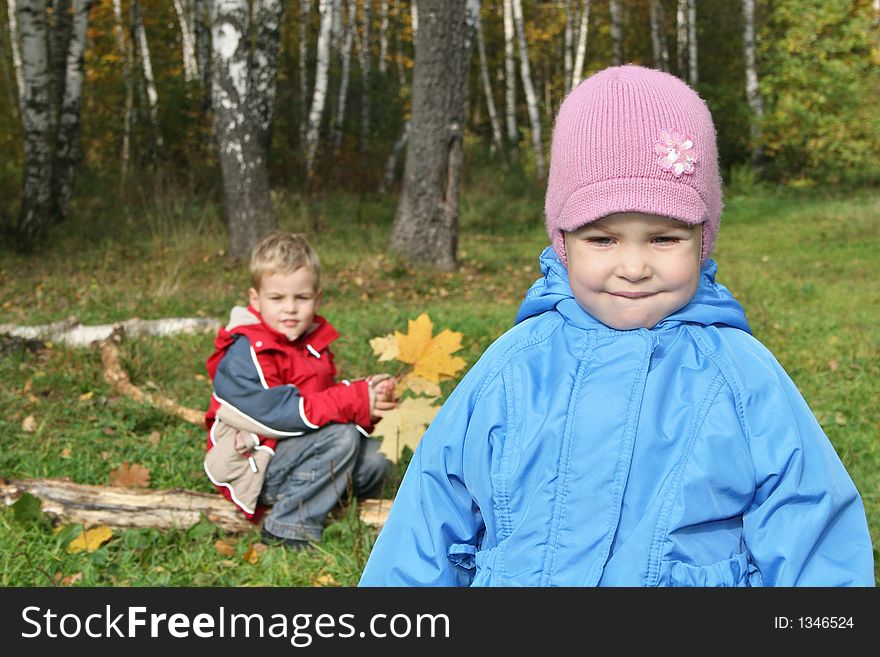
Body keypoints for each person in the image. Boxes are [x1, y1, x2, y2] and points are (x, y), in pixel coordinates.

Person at [359, 65, 874, 586]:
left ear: (703, 238)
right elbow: (428, 521)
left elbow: (812, 529)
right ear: (564, 242)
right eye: (602, 240)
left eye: (663, 238)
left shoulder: (741, 378)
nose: (632, 266)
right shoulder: (514, 368)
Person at [203, 231, 397, 549]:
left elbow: (319, 403)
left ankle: (326, 499)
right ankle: (287, 525)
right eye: (277, 299)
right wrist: (352, 399)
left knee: (377, 457)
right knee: (342, 437)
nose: (290, 309)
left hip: (293, 450)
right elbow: (278, 415)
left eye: (301, 298)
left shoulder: (310, 342)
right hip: (254, 461)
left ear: (317, 299)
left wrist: (367, 399)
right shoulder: (246, 351)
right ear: (255, 300)